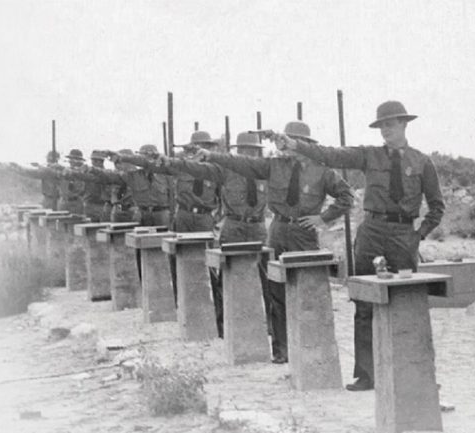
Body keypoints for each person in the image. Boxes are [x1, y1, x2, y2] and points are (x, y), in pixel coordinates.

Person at [273, 101, 444, 390]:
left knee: (408, 301)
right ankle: (367, 375)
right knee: (363, 302)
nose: (386, 130)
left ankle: (415, 373)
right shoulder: (369, 156)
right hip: (372, 232)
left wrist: (418, 235)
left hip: (404, 235)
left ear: (404, 125)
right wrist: (295, 145)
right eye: (382, 126)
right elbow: (329, 153)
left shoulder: (422, 162)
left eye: (391, 124)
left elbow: (437, 207)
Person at [198, 122, 353, 362]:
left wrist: (323, 218)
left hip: (304, 232)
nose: (287, 146)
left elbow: (347, 196)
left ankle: (311, 346)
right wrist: (211, 155)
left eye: (293, 140)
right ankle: (282, 351)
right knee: (276, 290)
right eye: (286, 140)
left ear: (307, 145)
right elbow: (242, 163)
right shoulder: (274, 166)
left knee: (307, 287)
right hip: (278, 231)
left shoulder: (321, 171)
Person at [157, 130, 269, 340]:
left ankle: (270, 326)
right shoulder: (225, 170)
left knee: (266, 276)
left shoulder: (265, 171)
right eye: (245, 150)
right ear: (238, 152)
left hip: (257, 227)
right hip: (233, 226)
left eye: (253, 151)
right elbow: (188, 167)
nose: (249, 154)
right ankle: (223, 325)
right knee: (225, 276)